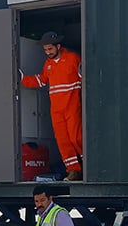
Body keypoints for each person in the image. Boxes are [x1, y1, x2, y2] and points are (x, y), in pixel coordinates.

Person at [20, 31, 84, 181]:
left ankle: (88, 166)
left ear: (58, 46)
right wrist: (22, 78)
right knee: (62, 140)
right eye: (45, 50)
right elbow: (41, 81)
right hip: (56, 110)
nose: (48, 52)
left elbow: (84, 77)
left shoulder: (73, 58)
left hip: (72, 105)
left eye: (50, 49)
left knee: (76, 138)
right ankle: (73, 170)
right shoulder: (48, 64)